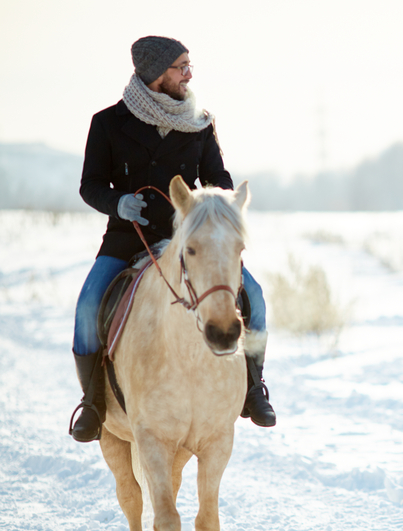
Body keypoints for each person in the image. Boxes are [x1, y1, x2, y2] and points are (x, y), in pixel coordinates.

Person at [69, 35, 276, 442]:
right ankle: (93, 403)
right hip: (128, 239)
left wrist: (212, 202)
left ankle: (253, 388)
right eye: (180, 67)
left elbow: (219, 178)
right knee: (87, 306)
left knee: (255, 298)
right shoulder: (108, 123)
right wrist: (119, 203)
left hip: (192, 243)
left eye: (188, 65)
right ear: (155, 74)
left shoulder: (200, 121)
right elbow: (90, 184)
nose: (188, 74)